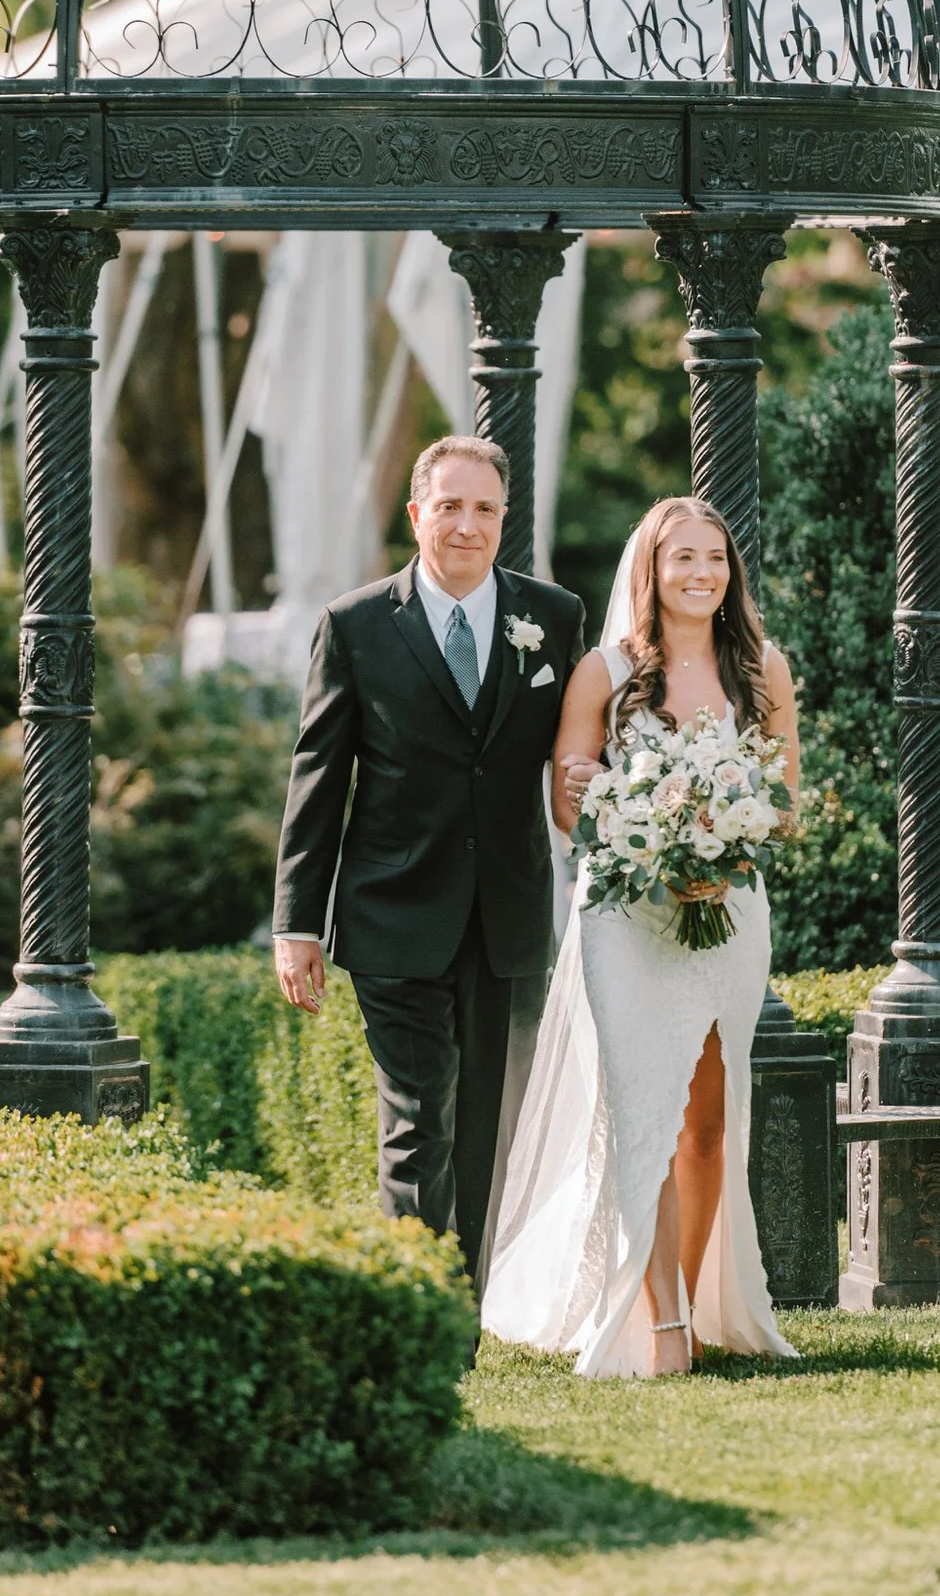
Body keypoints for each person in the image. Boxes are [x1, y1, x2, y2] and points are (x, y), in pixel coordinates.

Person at [482, 495, 801, 1377]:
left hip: (726, 910)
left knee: (705, 1119)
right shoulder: (606, 672)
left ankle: (693, 1302)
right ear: (650, 572)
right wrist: (642, 832)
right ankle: (656, 1317)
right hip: (626, 916)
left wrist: (728, 838)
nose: (700, 574)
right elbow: (564, 802)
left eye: (714, 559)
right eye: (681, 559)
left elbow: (784, 805)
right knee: (643, 1114)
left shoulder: (761, 670)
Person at [272, 436, 585, 1292]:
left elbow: (578, 747)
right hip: (392, 913)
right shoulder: (356, 624)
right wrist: (295, 922)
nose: (466, 524)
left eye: (483, 508)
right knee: (416, 1123)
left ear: (503, 519)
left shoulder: (553, 618)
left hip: (508, 915)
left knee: (488, 1126)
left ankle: (470, 1303)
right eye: (448, 505)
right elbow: (318, 778)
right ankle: (420, 1300)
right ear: (416, 515)